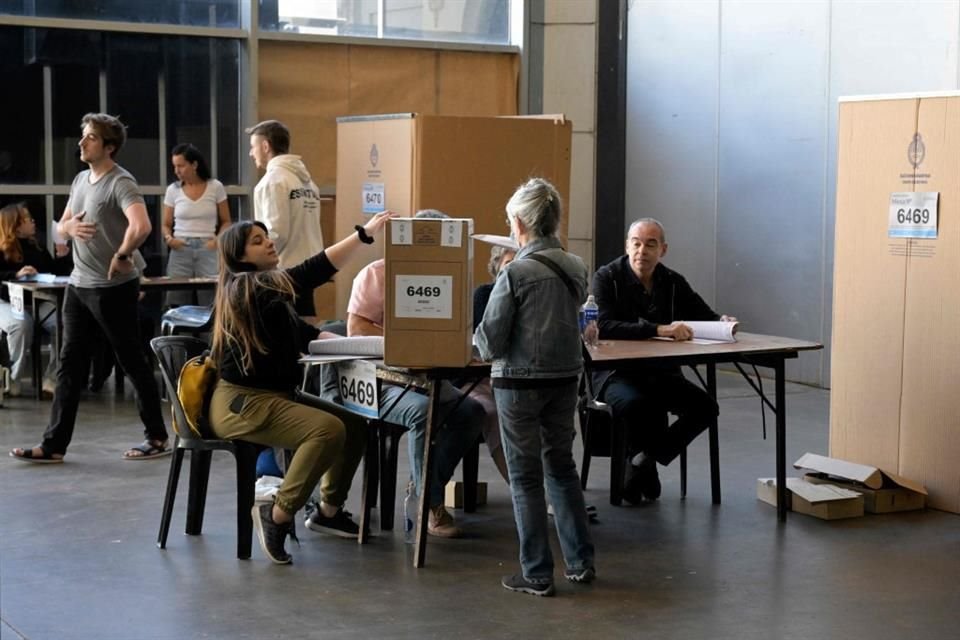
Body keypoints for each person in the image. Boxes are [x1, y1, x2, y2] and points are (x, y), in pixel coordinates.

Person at [209, 211, 394, 564]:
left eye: (267, 237)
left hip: (273, 397)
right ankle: (277, 514)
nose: (269, 243)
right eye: (257, 241)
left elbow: (308, 336)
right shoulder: (250, 287)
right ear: (239, 255)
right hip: (243, 404)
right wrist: (364, 235)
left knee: (354, 424)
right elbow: (314, 270)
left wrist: (372, 347)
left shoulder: (265, 294)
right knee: (326, 430)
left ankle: (327, 511)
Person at [10, 113, 169, 463]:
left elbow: (141, 226)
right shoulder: (81, 179)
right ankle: (53, 445)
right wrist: (69, 232)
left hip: (113, 287)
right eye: (83, 136)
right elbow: (60, 228)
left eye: (91, 138)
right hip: (80, 284)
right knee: (69, 363)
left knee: (131, 360)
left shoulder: (120, 182)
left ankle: (157, 437)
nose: (82, 143)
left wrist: (124, 253)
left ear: (109, 147)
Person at [475, 178, 595, 597]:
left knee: (526, 479)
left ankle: (537, 573)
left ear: (520, 222)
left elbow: (489, 341)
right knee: (562, 468)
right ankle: (580, 563)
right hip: (566, 379)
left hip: (517, 384)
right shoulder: (577, 266)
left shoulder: (514, 273)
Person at [347, 210, 485, 539]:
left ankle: (425, 488)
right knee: (426, 412)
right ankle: (431, 506)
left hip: (429, 377)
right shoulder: (376, 275)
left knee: (471, 412)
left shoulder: (451, 277)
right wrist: (406, 339)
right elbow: (355, 329)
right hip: (379, 379)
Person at [592, 217, 735, 503]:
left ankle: (644, 458)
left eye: (650, 244)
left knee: (705, 407)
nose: (641, 251)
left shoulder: (672, 281)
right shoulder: (607, 277)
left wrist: (722, 321)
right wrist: (659, 329)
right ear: (627, 246)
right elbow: (603, 325)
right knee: (636, 403)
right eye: (636, 243)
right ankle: (639, 466)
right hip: (615, 373)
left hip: (660, 372)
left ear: (663, 250)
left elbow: (702, 313)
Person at [245, 119, 323, 316]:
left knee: (284, 329)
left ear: (265, 146)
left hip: (284, 270)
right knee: (305, 321)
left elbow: (274, 233)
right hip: (311, 266)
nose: (251, 153)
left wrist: (252, 261)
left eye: (253, 147)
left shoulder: (272, 182)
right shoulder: (307, 182)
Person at [0, 203, 67, 397]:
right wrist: (16, 274)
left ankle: (52, 379)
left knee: (63, 325)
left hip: (37, 300)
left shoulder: (35, 246)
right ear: (16, 225)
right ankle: (11, 379)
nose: (33, 221)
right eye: (28, 218)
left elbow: (54, 274)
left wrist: (62, 256)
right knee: (21, 325)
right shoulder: (2, 247)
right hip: (7, 301)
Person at [466, 242, 517, 483]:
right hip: (479, 379)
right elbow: (482, 343)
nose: (514, 270)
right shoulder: (484, 295)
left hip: (516, 378)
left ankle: (550, 490)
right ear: (496, 267)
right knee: (494, 413)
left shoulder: (532, 297)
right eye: (508, 264)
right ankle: (522, 489)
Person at [161, 143, 231, 307]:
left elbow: (227, 221)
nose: (176, 171)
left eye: (181, 166)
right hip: (180, 247)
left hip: (208, 247)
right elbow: (165, 224)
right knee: (176, 300)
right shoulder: (173, 190)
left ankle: (211, 333)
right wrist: (168, 239)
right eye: (174, 166)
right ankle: (176, 332)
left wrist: (217, 241)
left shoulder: (215, 187)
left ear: (194, 164)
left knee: (211, 300)